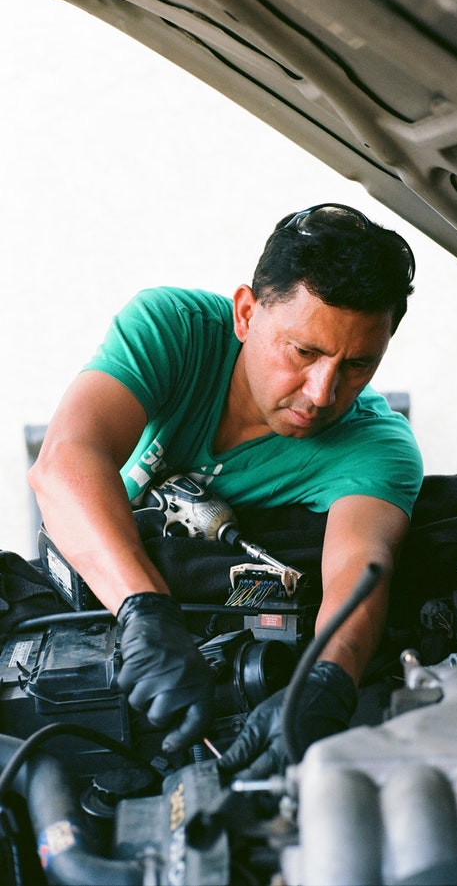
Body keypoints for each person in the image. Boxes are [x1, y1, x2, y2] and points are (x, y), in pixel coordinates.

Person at [28, 203, 423, 774]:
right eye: (304, 352)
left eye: (358, 364)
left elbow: (359, 571)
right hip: (90, 610)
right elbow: (63, 462)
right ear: (245, 314)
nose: (321, 392)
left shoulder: (379, 447)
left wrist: (326, 683)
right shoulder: (175, 329)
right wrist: (145, 612)